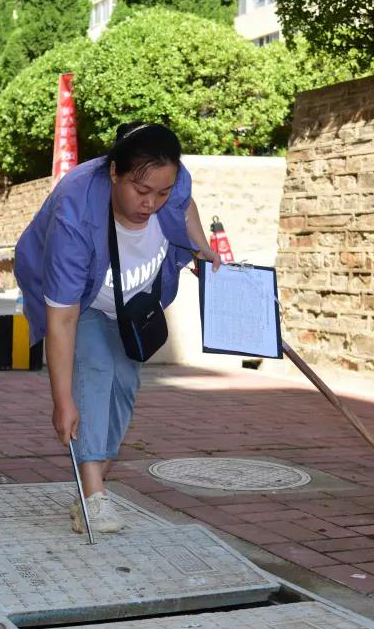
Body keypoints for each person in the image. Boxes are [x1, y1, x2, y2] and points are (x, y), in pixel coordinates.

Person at [15, 122, 221, 534]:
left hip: (133, 307)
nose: (151, 204)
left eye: (161, 193)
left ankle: (92, 485)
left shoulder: (172, 183)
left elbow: (184, 204)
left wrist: (201, 247)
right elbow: (63, 319)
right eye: (141, 191)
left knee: (124, 387)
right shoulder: (75, 213)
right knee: (94, 371)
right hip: (84, 301)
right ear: (114, 173)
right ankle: (94, 498)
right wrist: (62, 401)